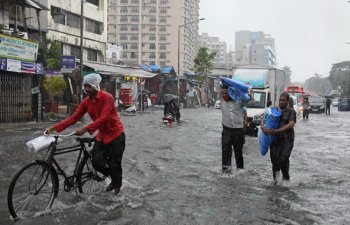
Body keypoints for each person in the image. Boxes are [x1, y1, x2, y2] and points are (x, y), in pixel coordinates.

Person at [45, 73, 125, 195]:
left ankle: (117, 192)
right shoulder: (86, 102)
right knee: (96, 163)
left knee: (115, 164)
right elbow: (73, 118)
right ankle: (114, 178)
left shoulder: (107, 97)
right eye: (85, 86)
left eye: (89, 86)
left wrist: (85, 129)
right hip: (102, 136)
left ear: (95, 86)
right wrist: (54, 128)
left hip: (116, 135)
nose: (87, 89)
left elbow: (104, 118)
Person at [261, 92, 295, 184]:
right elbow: (263, 119)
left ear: (287, 101)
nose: (280, 102)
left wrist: (276, 131)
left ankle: (286, 180)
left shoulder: (291, 111)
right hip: (275, 141)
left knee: (283, 159)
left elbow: (291, 124)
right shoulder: (274, 110)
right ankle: (276, 183)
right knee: (274, 162)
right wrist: (263, 128)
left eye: (283, 100)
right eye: (280, 100)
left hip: (287, 141)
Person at [220, 86, 255, 173]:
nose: (224, 95)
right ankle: (226, 171)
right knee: (225, 151)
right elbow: (222, 84)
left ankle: (240, 171)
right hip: (226, 130)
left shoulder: (239, 100)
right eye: (223, 93)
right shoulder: (222, 100)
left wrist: (249, 93)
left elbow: (252, 102)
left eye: (226, 93)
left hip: (238, 130)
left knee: (238, 152)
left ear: (230, 93)